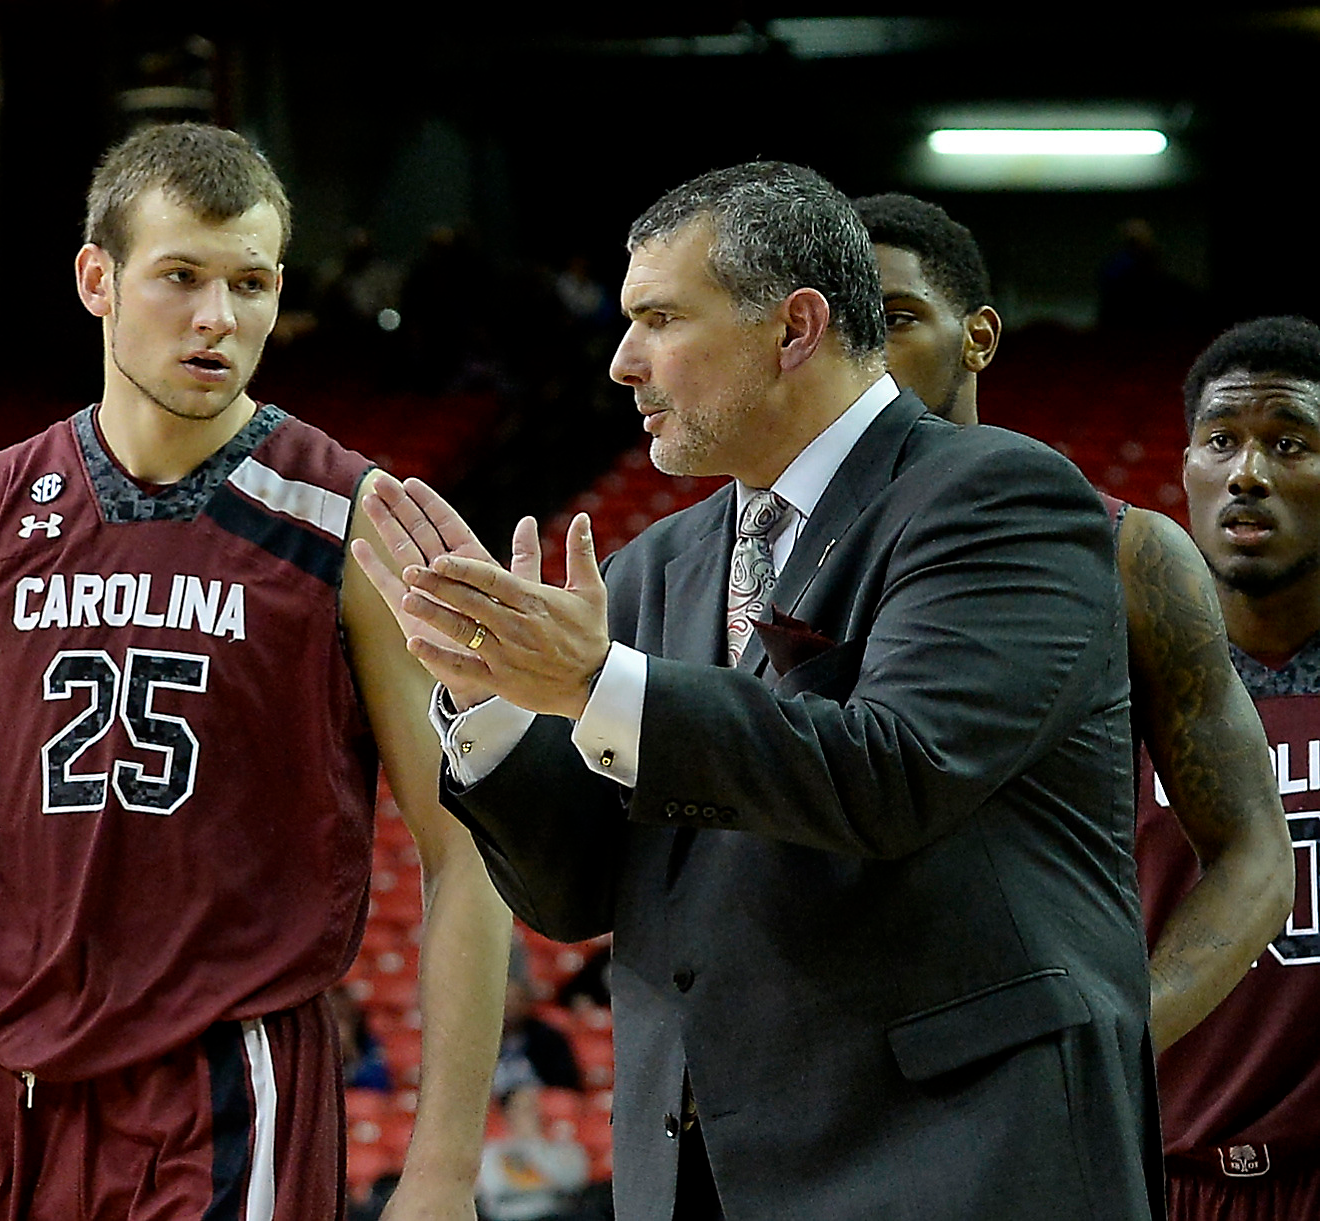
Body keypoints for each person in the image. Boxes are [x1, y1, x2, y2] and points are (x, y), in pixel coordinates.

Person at [354, 162, 1163, 1219]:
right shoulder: (658, 563)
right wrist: (494, 699)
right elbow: (576, 895)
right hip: (702, 1172)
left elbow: (894, 771)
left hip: (957, 1157)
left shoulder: (999, 497)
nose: (620, 360)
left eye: (658, 319)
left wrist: (598, 681)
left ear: (795, 329)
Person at [0, 123, 511, 1221]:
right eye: (181, 277)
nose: (218, 319)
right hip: (6, 1084)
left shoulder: (351, 521)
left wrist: (443, 1171)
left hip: (226, 1085)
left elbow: (467, 850)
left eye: (251, 284)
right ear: (98, 279)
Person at [855, 191, 1292, 1050]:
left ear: (978, 336)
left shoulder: (1126, 550)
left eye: (896, 319)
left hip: (1024, 1082)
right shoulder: (752, 559)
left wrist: (1120, 1042)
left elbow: (1254, 856)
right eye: (836, 329)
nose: (864, 359)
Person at [1146, 315, 1320, 1218]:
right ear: (1185, 469)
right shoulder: (1102, 691)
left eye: (1289, 442)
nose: (1247, 473)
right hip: (1161, 1176)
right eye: (1221, 441)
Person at [475, 1086, 589, 1221]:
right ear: (508, 1113)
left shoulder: (564, 1147)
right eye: (522, 1109)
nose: (532, 1115)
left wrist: (533, 1145)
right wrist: (540, 1180)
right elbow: (492, 1186)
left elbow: (573, 1180)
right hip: (504, 1216)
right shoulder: (490, 1152)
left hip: (554, 1215)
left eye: (534, 1107)